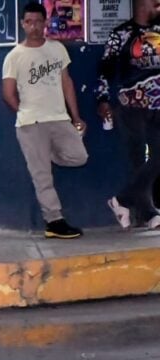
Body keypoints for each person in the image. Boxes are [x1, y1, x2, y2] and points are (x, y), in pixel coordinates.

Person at [2, 2, 88, 239]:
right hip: (31, 123)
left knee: (79, 156)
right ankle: (54, 222)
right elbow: (7, 93)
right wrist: (24, 113)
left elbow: (67, 83)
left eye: (38, 21)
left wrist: (76, 116)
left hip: (59, 118)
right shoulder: (14, 56)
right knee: (42, 176)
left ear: (45, 22)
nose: (34, 26)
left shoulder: (57, 48)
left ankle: (45, 154)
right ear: (22, 24)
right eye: (29, 22)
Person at [95, 0, 160, 229]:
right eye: (156, 3)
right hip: (132, 105)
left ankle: (121, 200)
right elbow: (105, 69)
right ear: (143, 4)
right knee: (138, 161)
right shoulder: (120, 35)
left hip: (159, 104)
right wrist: (102, 99)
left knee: (156, 160)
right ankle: (148, 213)